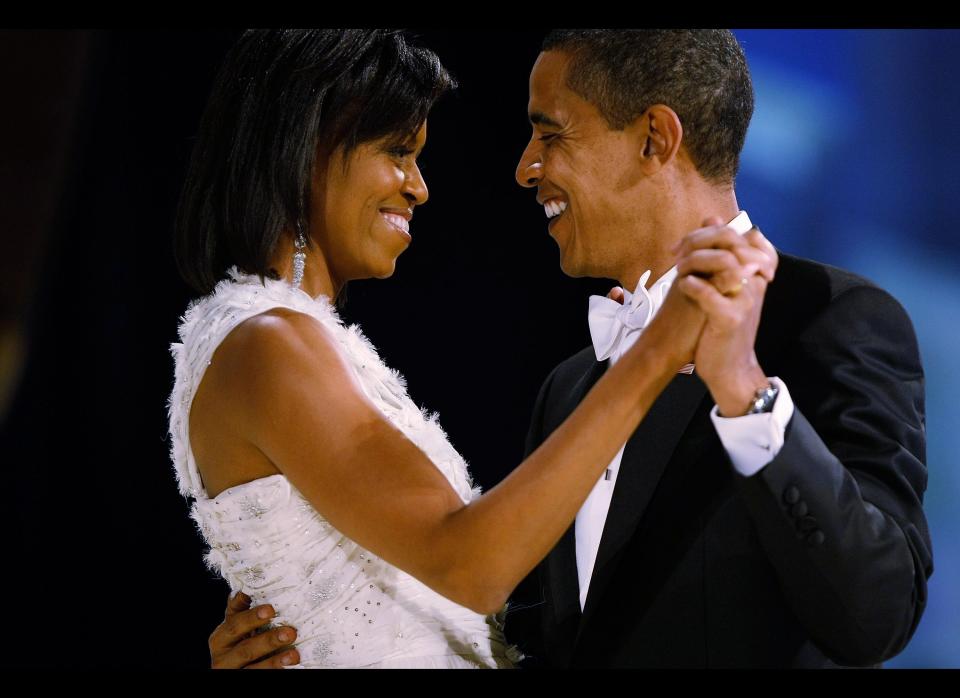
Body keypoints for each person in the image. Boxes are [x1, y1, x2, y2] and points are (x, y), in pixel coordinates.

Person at [209, 28, 931, 669]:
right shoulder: (574, 388)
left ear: (655, 138)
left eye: (550, 135)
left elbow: (878, 616)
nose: (525, 168)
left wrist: (744, 393)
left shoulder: (828, 318)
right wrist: (317, 644)